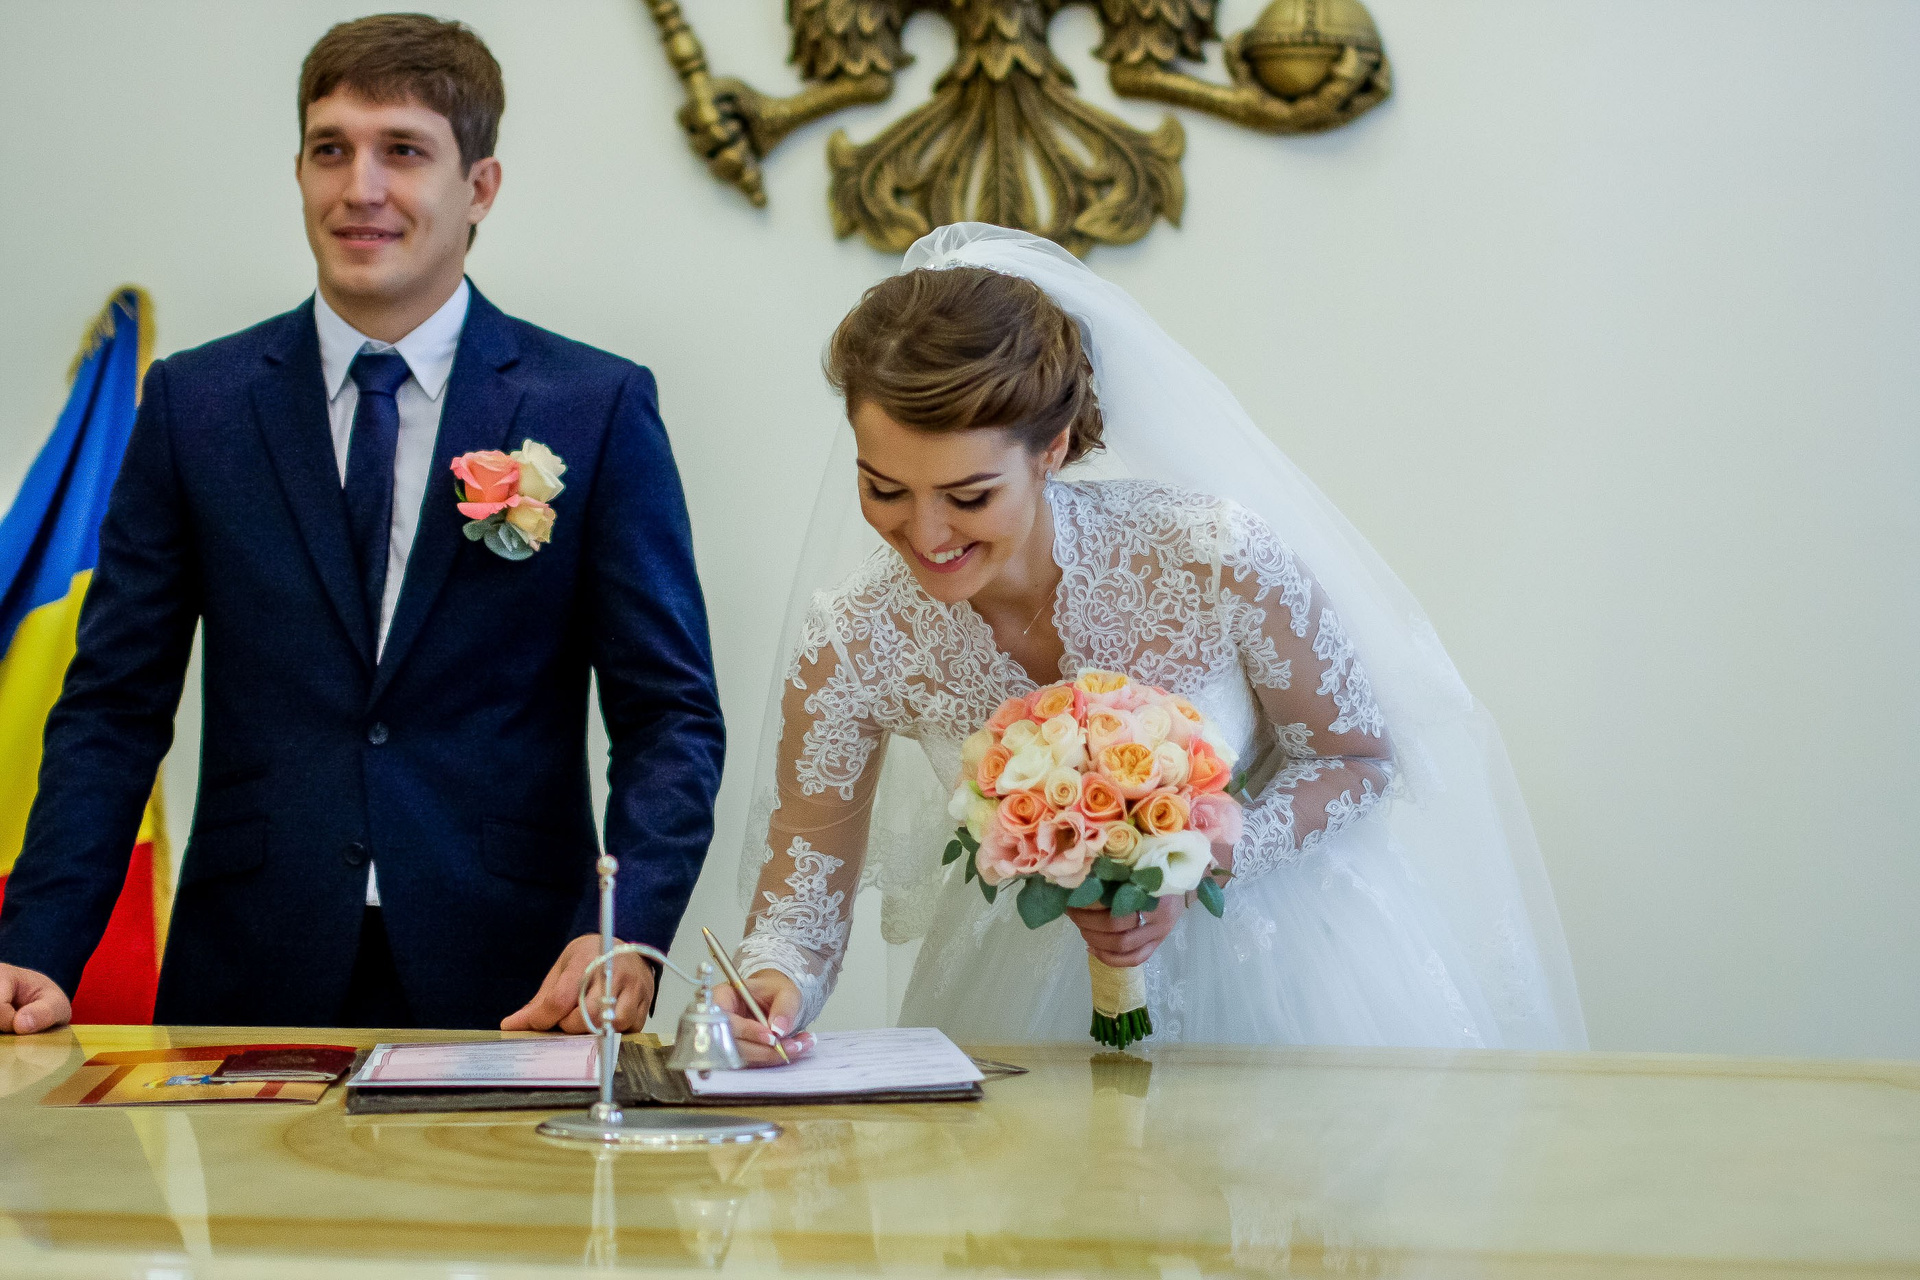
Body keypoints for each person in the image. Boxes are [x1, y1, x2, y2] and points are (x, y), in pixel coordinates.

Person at [0, 15, 723, 1034]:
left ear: (480, 186)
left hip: (521, 978)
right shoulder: (194, 405)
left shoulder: (591, 406)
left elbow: (669, 715)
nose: (360, 188)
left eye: (404, 152)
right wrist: (36, 942)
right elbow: (114, 705)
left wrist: (627, 924)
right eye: (330, 149)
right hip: (250, 971)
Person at [717, 224, 1585, 1062]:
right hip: (1018, 990)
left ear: (1052, 449)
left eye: (969, 496)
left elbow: (1353, 755)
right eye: (884, 489)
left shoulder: (1211, 557)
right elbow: (801, 895)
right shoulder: (856, 639)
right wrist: (773, 985)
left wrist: (1197, 858)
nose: (926, 532)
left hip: (1278, 972)